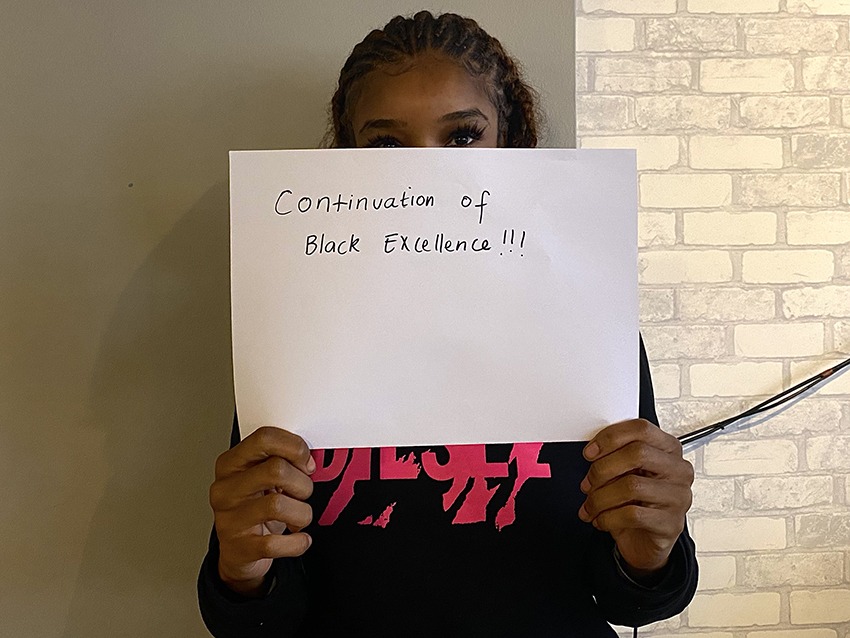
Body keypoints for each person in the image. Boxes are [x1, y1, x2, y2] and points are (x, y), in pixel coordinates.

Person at [198, 11, 697, 637]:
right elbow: (258, 608)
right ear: (346, 159)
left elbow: (636, 600)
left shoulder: (586, 329)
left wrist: (650, 551)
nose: (425, 175)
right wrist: (241, 569)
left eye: (462, 137)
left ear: (509, 143)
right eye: (386, 145)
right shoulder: (298, 332)